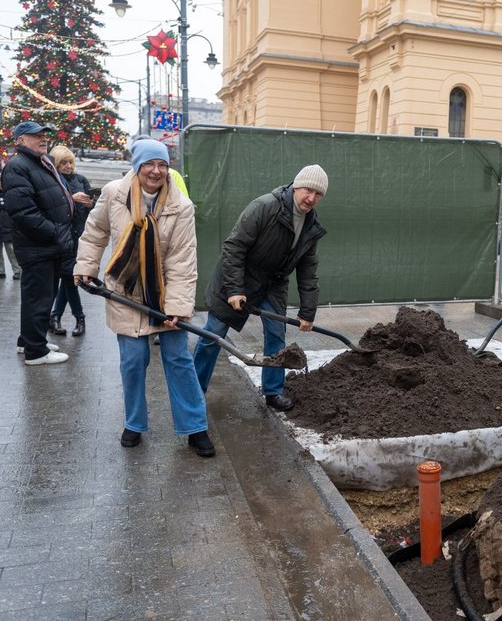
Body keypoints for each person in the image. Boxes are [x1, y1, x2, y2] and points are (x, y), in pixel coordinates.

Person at [74, 139, 215, 457]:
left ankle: (195, 427)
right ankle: (134, 423)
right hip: (124, 292)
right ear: (137, 166)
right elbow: (95, 231)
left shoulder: (181, 206)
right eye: (149, 164)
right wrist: (85, 266)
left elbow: (182, 260)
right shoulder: (114, 194)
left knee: (179, 360)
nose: (156, 170)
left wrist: (177, 308)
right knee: (134, 361)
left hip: (165, 296)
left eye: (162, 164)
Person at [192, 164, 328, 411]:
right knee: (214, 333)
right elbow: (234, 248)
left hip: (273, 283)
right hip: (238, 276)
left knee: (276, 336)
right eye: (308, 190)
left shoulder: (311, 223)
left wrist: (308, 311)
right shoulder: (265, 207)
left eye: (318, 194)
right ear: (297, 185)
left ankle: (273, 391)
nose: (311, 198)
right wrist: (234, 289)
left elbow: (308, 269)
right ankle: (194, 390)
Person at [2, 121, 75, 366]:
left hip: (45, 246)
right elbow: (23, 212)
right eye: (36, 135)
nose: (43, 138)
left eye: (44, 134)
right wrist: (55, 232)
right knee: (39, 299)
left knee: (38, 297)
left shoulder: (37, 162)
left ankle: (30, 341)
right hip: (39, 246)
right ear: (21, 140)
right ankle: (36, 352)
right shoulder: (18, 166)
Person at [48, 145, 93, 337]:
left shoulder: (80, 179)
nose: (68, 166)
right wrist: (71, 199)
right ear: (56, 164)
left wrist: (91, 204)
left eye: (70, 162)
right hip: (62, 239)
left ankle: (55, 317)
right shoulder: (53, 181)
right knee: (70, 279)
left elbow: (94, 207)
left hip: (80, 238)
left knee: (69, 279)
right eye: (63, 163)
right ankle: (79, 318)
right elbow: (52, 207)